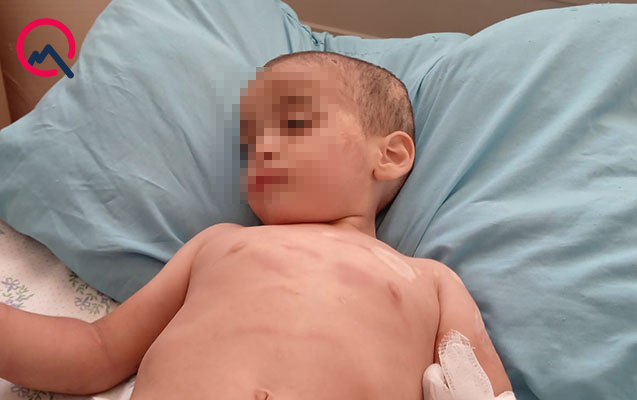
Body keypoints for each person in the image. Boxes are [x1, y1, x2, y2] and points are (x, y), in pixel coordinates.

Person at [0, 51, 515, 399]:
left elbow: (482, 388)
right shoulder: (219, 245)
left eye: (295, 123)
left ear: (390, 155)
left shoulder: (431, 281)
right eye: (249, 143)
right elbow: (99, 350)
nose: (262, 148)